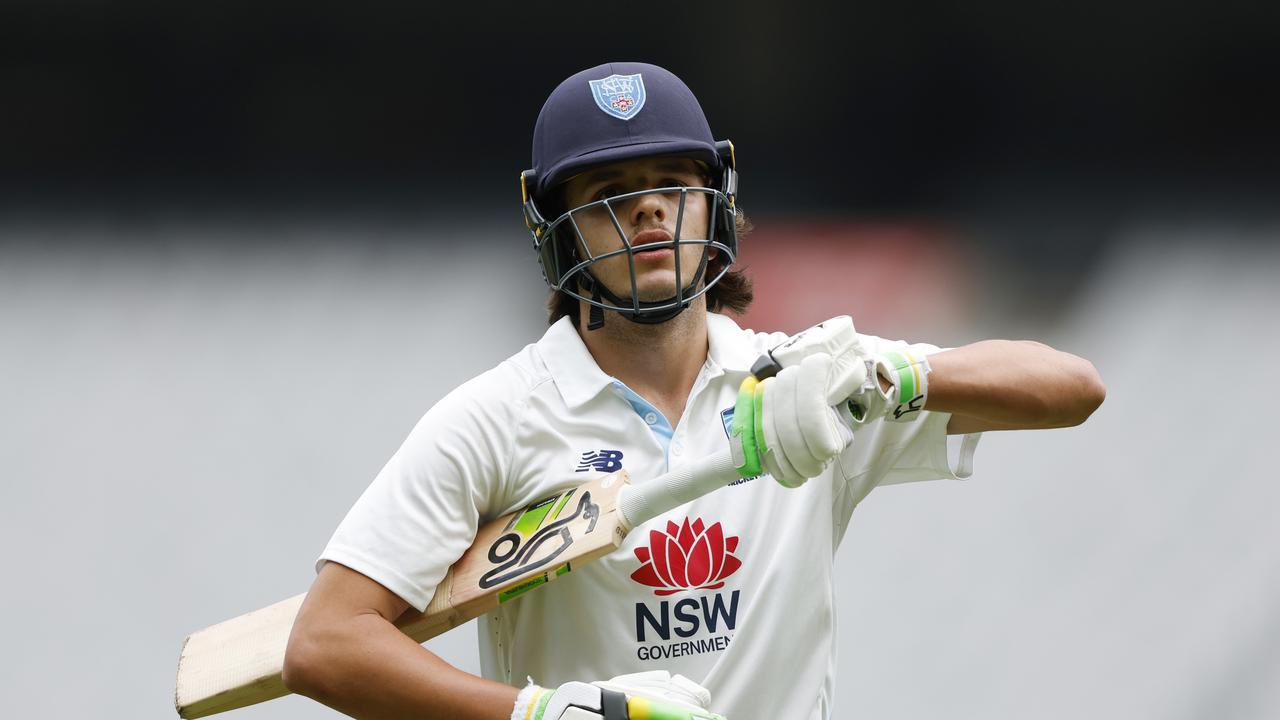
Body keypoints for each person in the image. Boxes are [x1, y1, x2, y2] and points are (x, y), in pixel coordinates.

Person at [280, 61, 1105, 720]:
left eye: (671, 184)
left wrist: (891, 376)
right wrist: (540, 716)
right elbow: (325, 643)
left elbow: (1070, 388)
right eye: (608, 196)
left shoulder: (808, 385)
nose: (648, 214)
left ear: (715, 202)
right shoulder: (496, 420)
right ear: (555, 227)